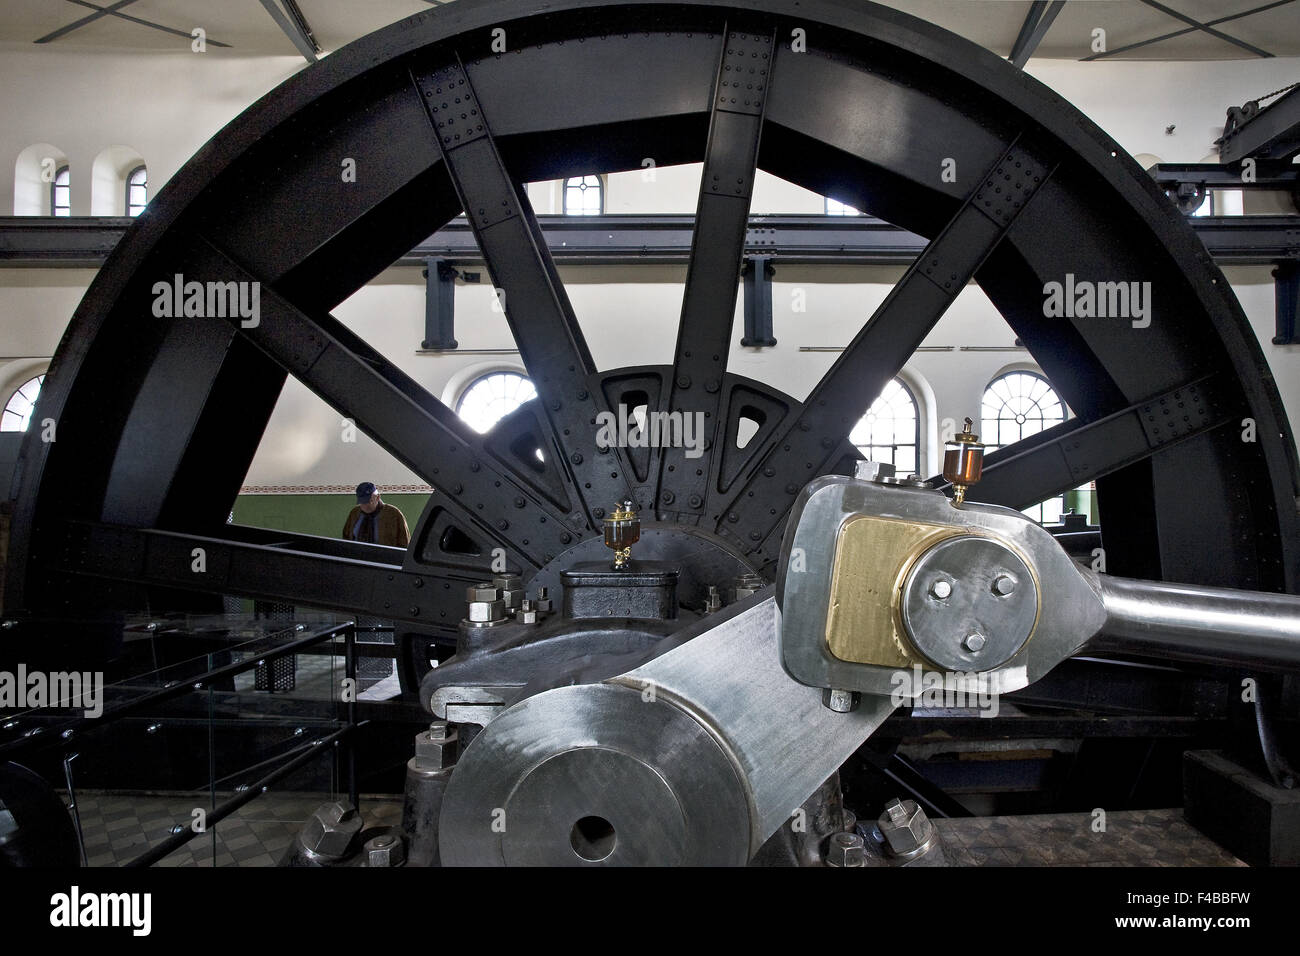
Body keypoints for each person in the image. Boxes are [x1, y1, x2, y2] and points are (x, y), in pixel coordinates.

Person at [342, 481, 410, 547]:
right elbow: (346, 537)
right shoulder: (355, 513)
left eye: (369, 501)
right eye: (362, 502)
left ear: (378, 497)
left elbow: (405, 543)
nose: (365, 506)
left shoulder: (394, 514)